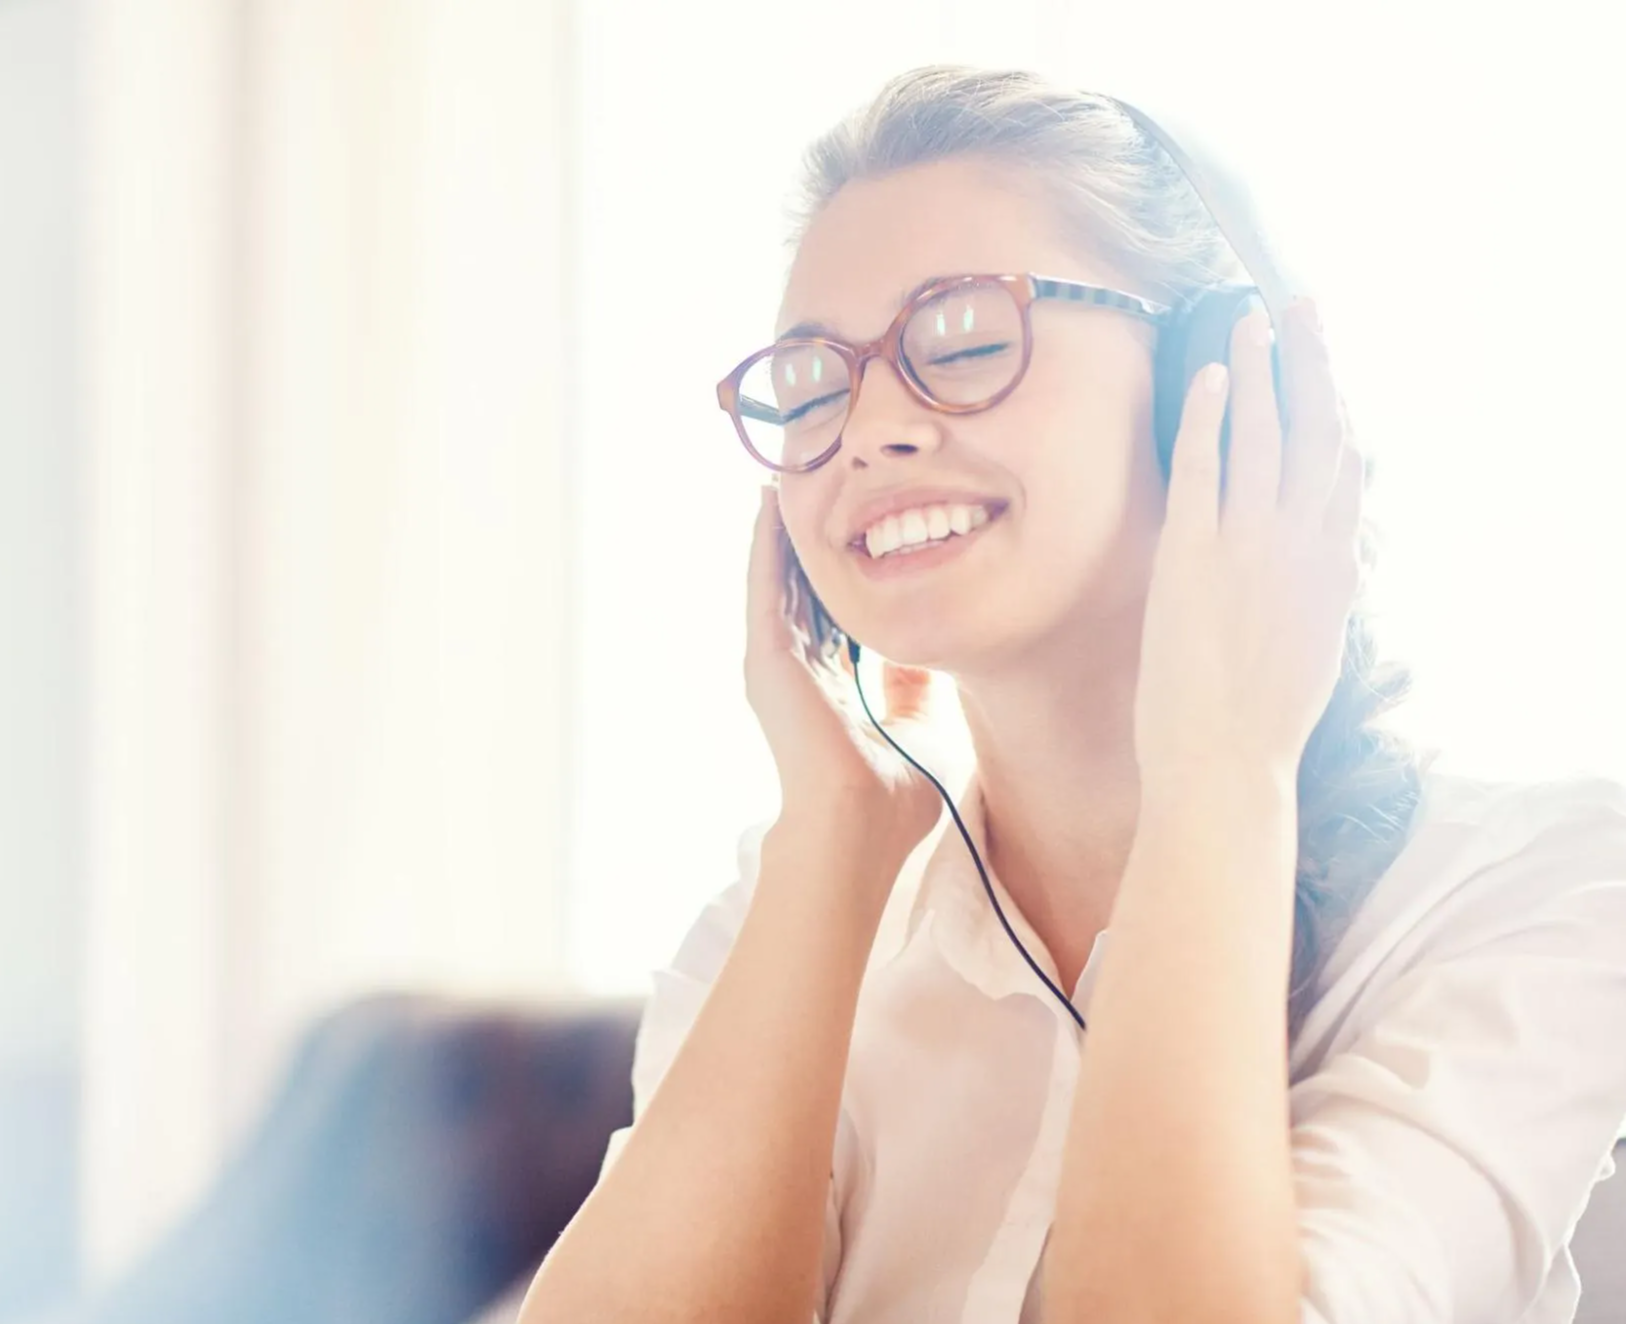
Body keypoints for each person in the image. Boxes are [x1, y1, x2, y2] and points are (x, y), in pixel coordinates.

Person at [517, 66, 1625, 1324]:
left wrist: (1220, 773)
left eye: (968, 338)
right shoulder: (775, 924)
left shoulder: (1536, 890)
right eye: (815, 382)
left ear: (1219, 378)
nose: (869, 427)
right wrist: (832, 829)